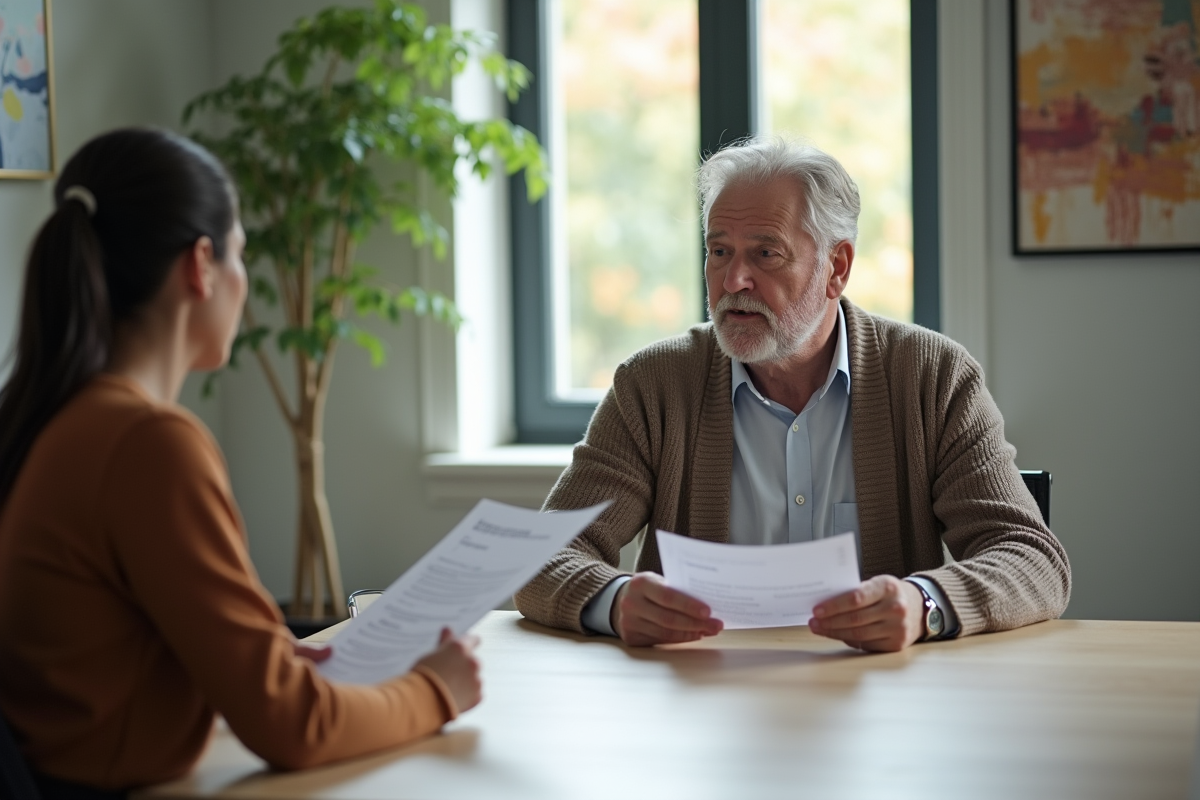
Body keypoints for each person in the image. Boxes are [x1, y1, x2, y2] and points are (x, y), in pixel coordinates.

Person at [0, 128, 482, 799]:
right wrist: (435, 689)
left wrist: (259, 654)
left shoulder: (58, 416)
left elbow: (112, 647)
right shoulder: (147, 443)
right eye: (241, 253)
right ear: (201, 265)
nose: (244, 280)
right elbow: (292, 724)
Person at [514, 136, 1070, 651]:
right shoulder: (653, 385)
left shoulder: (933, 377)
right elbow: (541, 558)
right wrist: (614, 602)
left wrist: (924, 603)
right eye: (719, 252)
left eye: (766, 254)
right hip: (696, 694)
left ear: (837, 267)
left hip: (878, 692)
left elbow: (1032, 558)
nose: (733, 280)